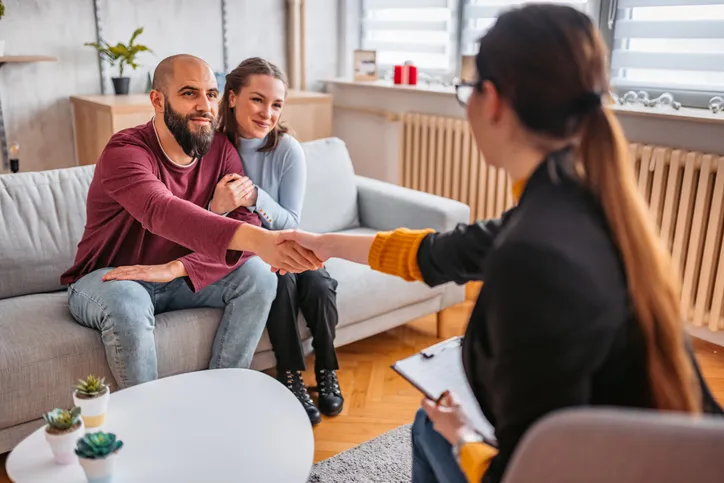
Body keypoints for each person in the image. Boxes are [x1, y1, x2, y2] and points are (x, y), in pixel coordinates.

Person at [270, 5, 724, 482]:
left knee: (430, 428)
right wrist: (324, 243)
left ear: (493, 101)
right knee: (433, 423)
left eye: (466, 90)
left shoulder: (534, 256)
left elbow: (526, 470)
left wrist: (463, 435)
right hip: (654, 457)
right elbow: (438, 253)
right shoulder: (581, 199)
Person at [61, 54, 322, 391]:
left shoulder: (221, 149)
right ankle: (148, 418)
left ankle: (220, 394)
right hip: (112, 277)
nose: (205, 106)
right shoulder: (125, 152)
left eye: (211, 94)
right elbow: (162, 210)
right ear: (157, 100)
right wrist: (259, 240)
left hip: (177, 276)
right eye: (189, 94)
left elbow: (242, 221)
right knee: (127, 299)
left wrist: (177, 267)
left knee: (258, 275)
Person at [211, 57, 343, 425]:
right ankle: (290, 376)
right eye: (257, 100)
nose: (267, 113)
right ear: (232, 97)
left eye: (276, 104)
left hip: (292, 241)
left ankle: (327, 371)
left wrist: (255, 197)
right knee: (278, 283)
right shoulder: (214, 148)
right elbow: (205, 219)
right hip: (249, 256)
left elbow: (293, 222)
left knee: (317, 283)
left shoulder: (287, 150)